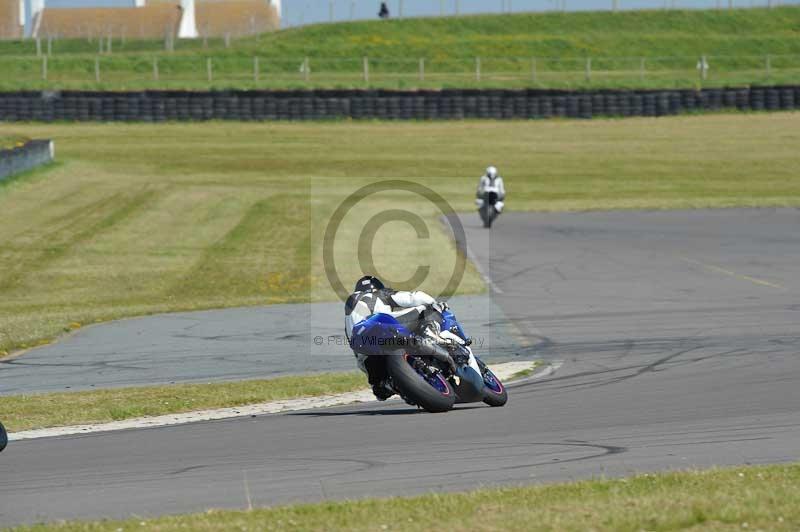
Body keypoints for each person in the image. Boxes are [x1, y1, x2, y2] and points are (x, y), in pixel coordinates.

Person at [345, 275, 454, 400]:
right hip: (382, 328)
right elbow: (413, 297)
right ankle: (432, 333)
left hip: (364, 353)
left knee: (380, 387)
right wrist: (435, 303)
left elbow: (356, 349)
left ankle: (386, 384)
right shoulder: (378, 294)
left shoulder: (349, 311)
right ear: (377, 288)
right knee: (428, 309)